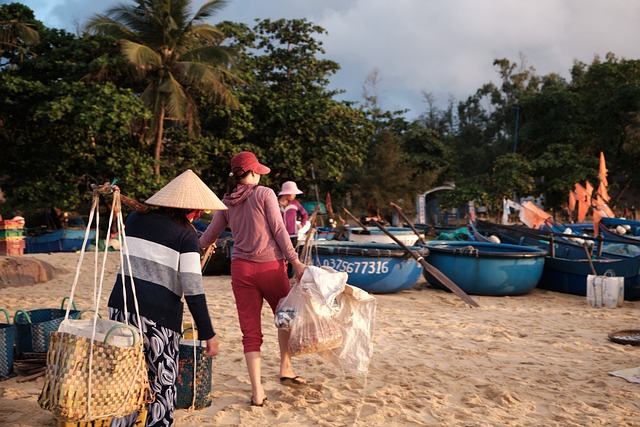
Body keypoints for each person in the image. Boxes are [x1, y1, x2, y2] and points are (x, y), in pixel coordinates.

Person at [108, 169, 226, 427]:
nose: (199, 215)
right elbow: (193, 289)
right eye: (197, 210)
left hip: (120, 308)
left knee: (127, 378)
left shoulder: (135, 219)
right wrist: (207, 332)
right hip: (157, 318)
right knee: (162, 384)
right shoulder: (186, 236)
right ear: (188, 209)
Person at [199, 151, 308, 408]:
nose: (260, 174)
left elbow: (208, 236)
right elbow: (279, 229)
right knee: (285, 318)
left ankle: (257, 392)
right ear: (250, 173)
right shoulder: (265, 194)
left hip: (241, 271)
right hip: (271, 268)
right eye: (257, 170)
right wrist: (295, 261)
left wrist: (199, 243)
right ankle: (285, 368)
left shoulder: (227, 201)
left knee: (250, 332)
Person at [278, 181, 308, 277]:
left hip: (293, 235)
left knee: (292, 257)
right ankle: (280, 275)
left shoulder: (295, 204)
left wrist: (301, 225)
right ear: (287, 193)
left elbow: (305, 214)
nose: (295, 195)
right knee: (280, 256)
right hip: (279, 236)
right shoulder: (274, 203)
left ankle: (289, 277)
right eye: (293, 193)